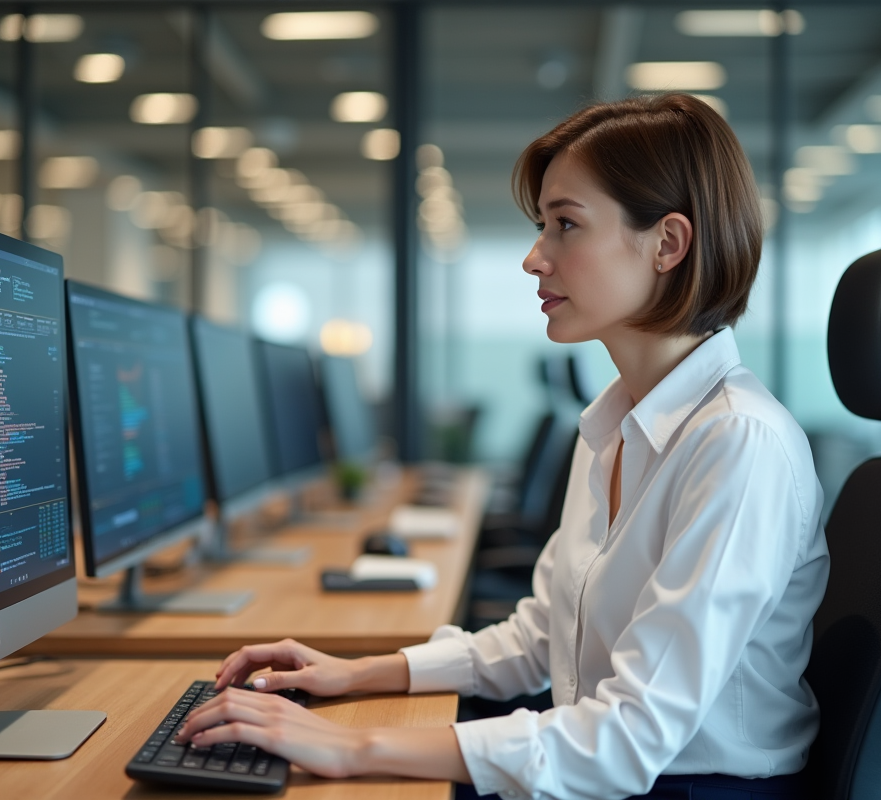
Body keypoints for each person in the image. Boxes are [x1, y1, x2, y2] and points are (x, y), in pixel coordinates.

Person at [176, 93, 829, 800]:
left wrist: (350, 745)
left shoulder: (737, 445)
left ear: (668, 243)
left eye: (565, 225)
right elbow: (540, 638)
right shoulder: (616, 424)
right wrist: (356, 672)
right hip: (613, 765)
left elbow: (631, 736)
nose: (532, 258)